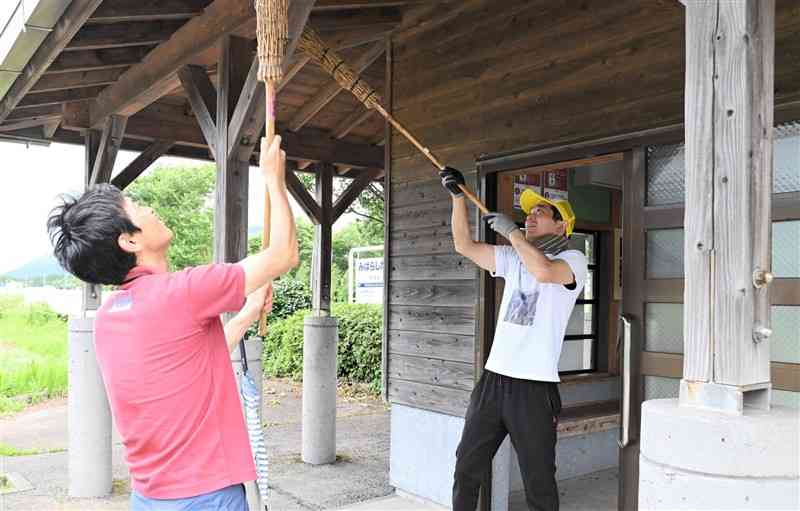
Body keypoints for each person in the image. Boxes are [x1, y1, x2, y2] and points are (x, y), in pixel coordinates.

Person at [47, 136, 298, 511]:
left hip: (149, 499)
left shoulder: (107, 320)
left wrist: (245, 314)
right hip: (208, 497)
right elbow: (283, 254)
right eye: (135, 206)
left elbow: (192, 360)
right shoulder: (183, 292)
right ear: (129, 240)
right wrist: (275, 182)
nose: (148, 207)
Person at [440, 168, 588, 511]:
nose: (530, 218)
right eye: (529, 213)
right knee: (466, 467)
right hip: (493, 381)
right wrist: (458, 197)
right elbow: (464, 245)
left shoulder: (573, 260)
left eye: (541, 213)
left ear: (562, 226)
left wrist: (512, 234)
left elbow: (544, 272)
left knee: (538, 481)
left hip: (534, 390)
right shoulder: (513, 258)